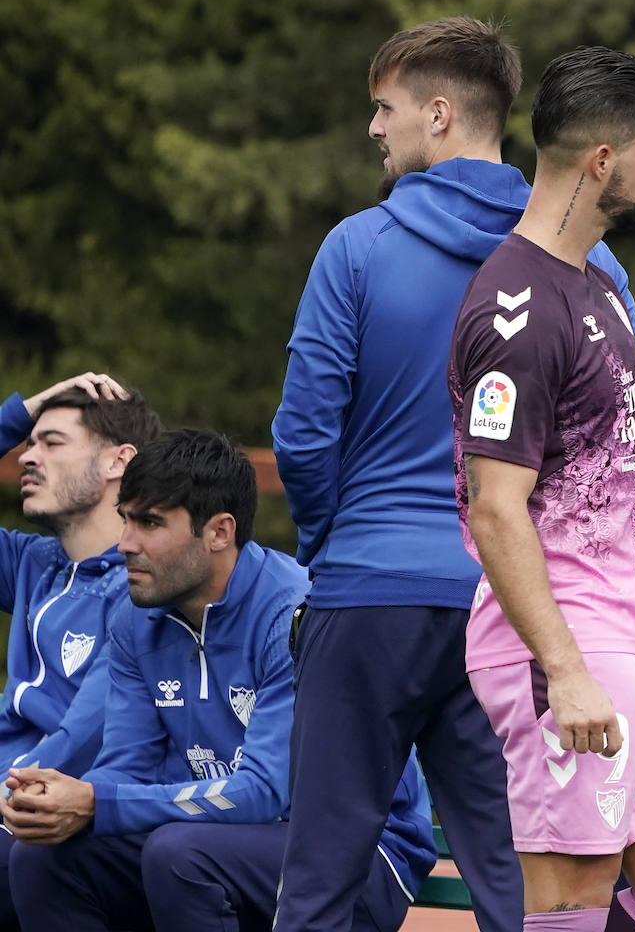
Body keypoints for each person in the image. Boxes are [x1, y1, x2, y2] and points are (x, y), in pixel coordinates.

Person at [271, 19, 635, 932]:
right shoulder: (591, 264)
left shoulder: (358, 247)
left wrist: (333, 544)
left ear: (439, 115)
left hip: (368, 594)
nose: (373, 129)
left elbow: (302, 436)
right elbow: (627, 446)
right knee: (517, 885)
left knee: (320, 878)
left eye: (385, 109)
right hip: (515, 608)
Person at [449, 47, 635, 932]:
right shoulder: (517, 310)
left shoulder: (599, 286)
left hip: (634, 633)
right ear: (601, 163)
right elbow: (495, 508)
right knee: (572, 901)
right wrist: (565, 672)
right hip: (564, 642)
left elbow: (609, 451)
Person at [1, 430, 435, 931]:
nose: (125, 544)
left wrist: (95, 802)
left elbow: (264, 792)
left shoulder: (297, 614)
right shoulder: (135, 623)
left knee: (179, 855)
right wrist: (65, 803)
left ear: (219, 532)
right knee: (42, 859)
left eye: (150, 523)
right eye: (125, 519)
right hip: (216, 843)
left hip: (358, 853)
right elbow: (126, 770)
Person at [0, 372, 161, 928]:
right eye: (28, 442)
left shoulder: (147, 585)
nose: (27, 456)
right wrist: (28, 408)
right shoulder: (31, 563)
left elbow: (85, 737)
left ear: (118, 461)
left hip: (55, 811)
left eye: (52, 442)